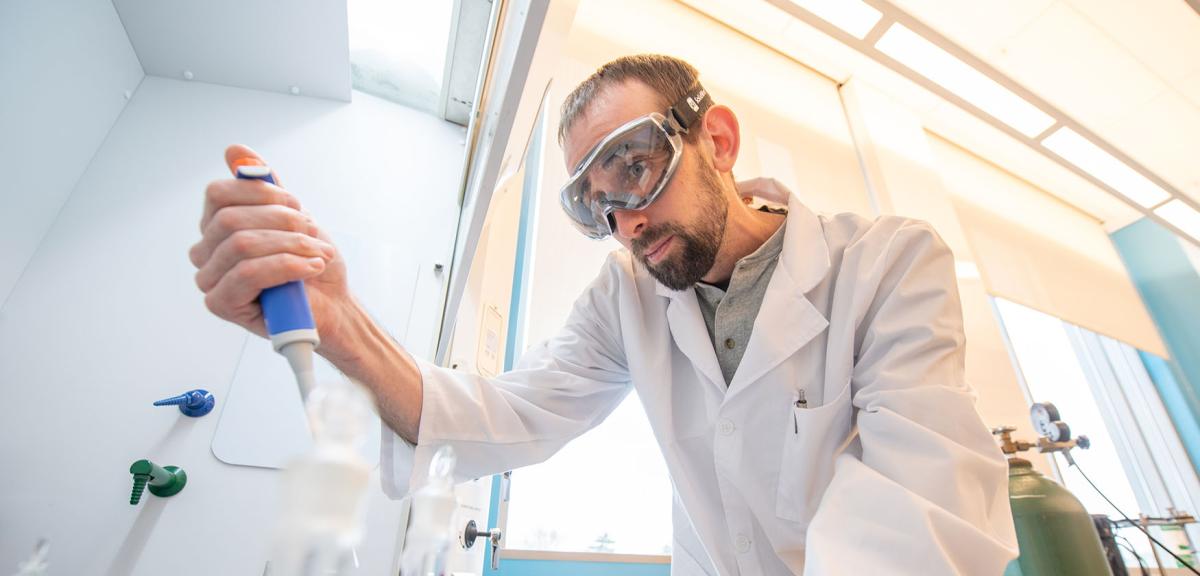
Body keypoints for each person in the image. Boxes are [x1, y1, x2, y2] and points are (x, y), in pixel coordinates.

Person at [190, 54, 1017, 575]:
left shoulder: (886, 263)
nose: (623, 221)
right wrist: (338, 321)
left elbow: (919, 507)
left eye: (634, 166)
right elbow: (506, 414)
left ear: (718, 142)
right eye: (593, 203)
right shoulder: (627, 297)